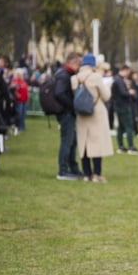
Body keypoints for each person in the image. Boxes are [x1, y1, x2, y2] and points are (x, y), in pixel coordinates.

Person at [72, 54, 113, 182]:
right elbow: (106, 96)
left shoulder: (75, 78)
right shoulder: (96, 77)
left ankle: (86, 174)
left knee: (83, 143)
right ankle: (97, 174)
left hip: (81, 114)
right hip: (96, 113)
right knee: (96, 144)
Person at [53, 52, 83, 180]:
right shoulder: (64, 75)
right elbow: (59, 93)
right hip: (66, 113)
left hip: (67, 112)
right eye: (79, 64)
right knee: (67, 141)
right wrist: (72, 105)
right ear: (74, 62)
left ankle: (73, 168)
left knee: (72, 141)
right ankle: (63, 170)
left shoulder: (64, 74)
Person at [111, 64, 138, 154]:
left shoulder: (116, 79)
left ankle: (121, 147)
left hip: (118, 106)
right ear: (125, 70)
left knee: (121, 127)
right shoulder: (119, 80)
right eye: (129, 72)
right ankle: (131, 147)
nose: (129, 74)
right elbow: (123, 93)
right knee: (129, 126)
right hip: (124, 106)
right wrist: (130, 92)